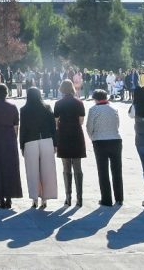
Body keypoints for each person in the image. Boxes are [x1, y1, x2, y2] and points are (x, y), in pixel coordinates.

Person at [0, 83, 23, 209]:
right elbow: (16, 126)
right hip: (9, 137)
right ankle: (9, 197)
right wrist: (14, 139)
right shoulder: (13, 107)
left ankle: (0, 197)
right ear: (6, 93)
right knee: (10, 167)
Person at [20, 87, 58, 208]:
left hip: (30, 141)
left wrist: (21, 145)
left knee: (32, 171)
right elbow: (53, 127)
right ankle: (45, 199)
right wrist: (55, 143)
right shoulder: (47, 107)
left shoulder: (24, 109)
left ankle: (35, 198)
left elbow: (23, 129)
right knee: (47, 171)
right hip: (46, 140)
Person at [86, 89, 123, 207]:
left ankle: (106, 199)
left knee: (103, 171)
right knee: (117, 170)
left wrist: (93, 137)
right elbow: (117, 124)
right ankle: (119, 198)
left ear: (95, 99)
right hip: (115, 140)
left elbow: (89, 126)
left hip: (100, 141)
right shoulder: (114, 108)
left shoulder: (93, 110)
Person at [54, 79, 87, 207]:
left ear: (62, 89)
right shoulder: (79, 102)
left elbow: (56, 122)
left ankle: (68, 197)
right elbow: (81, 121)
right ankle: (80, 198)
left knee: (66, 168)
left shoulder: (58, 103)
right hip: (76, 135)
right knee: (78, 168)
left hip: (63, 136)